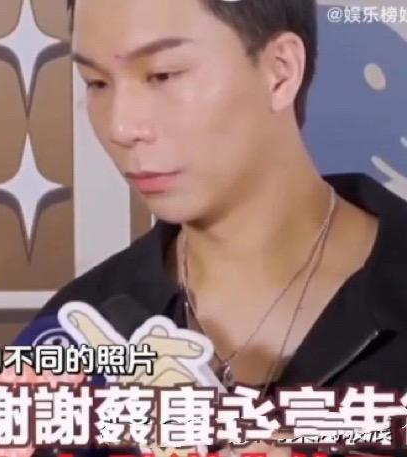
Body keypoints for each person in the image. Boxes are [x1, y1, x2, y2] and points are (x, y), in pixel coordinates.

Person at [25, 0, 407, 455]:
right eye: (97, 83)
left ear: (280, 71)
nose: (122, 126)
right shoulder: (80, 328)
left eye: (163, 75)